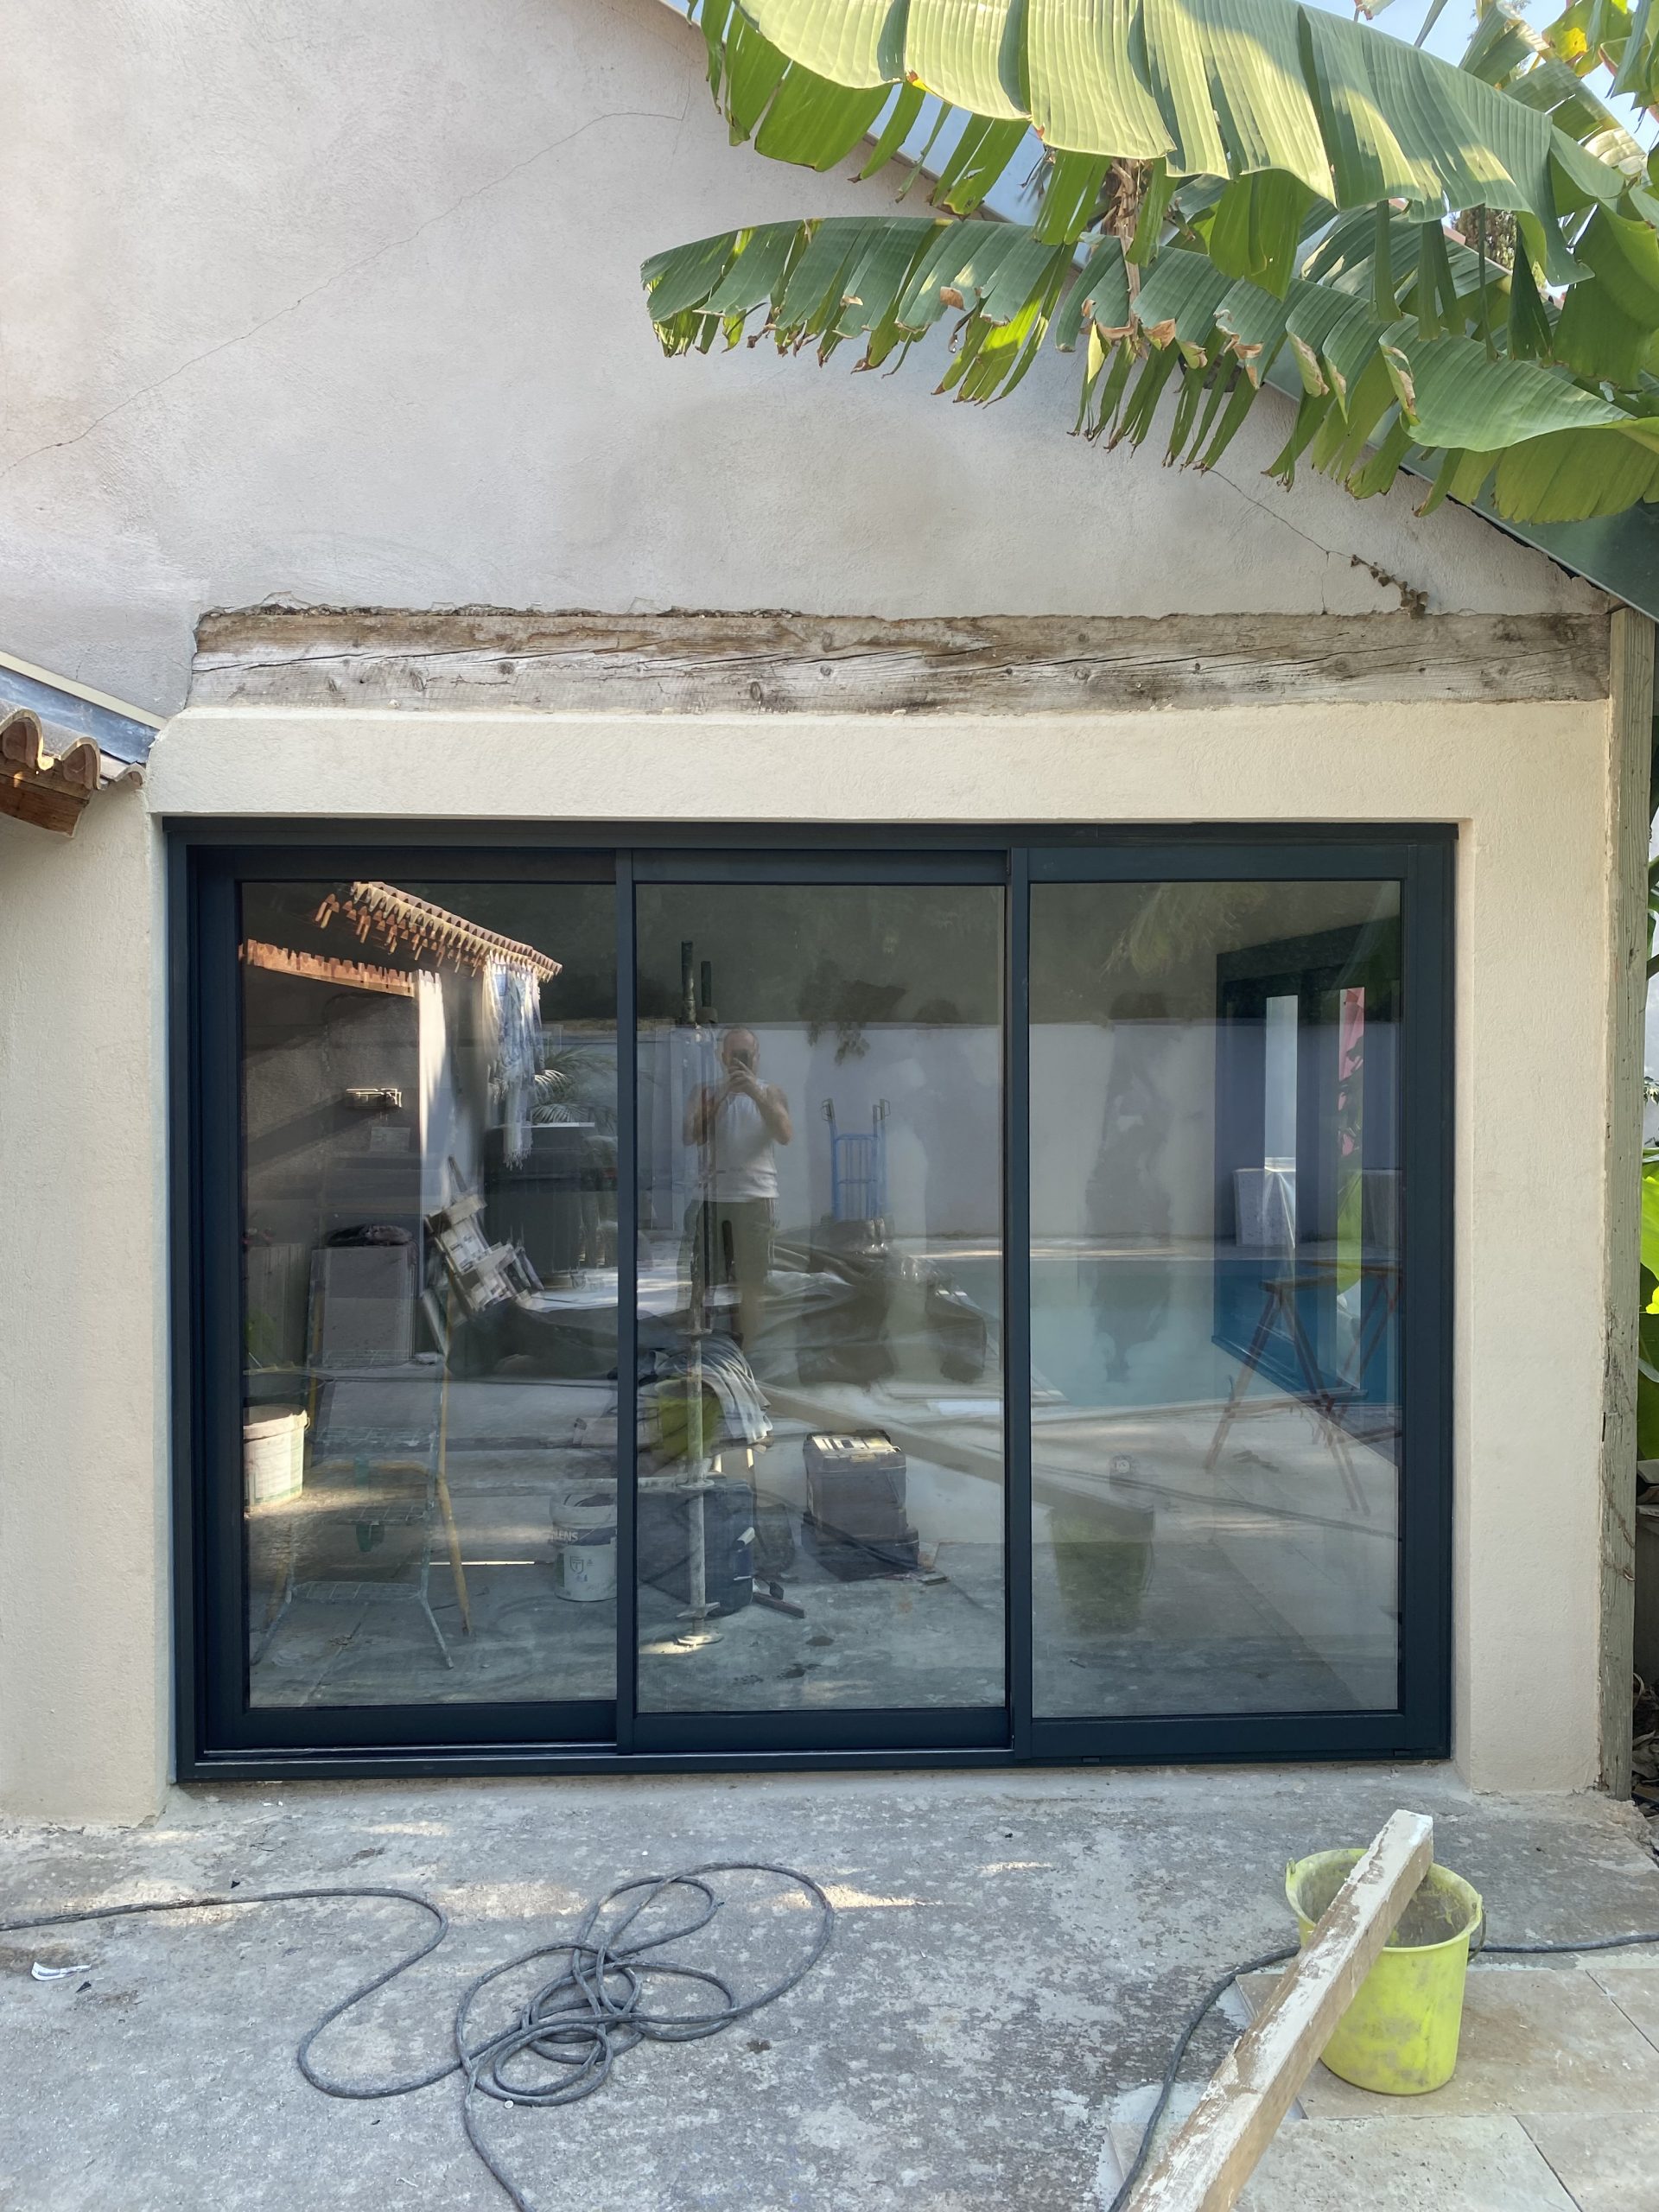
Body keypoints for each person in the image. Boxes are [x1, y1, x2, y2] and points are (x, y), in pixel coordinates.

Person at [683, 1027, 792, 1352]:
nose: (741, 1062)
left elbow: (785, 1135)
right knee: (701, 1281)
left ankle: (749, 1354)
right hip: (712, 1197)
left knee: (752, 1283)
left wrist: (755, 1094)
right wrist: (722, 1096)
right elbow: (692, 1136)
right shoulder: (705, 1092)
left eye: (746, 1056)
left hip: (755, 1198)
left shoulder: (771, 1093)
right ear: (723, 1057)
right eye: (735, 1056)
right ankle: (696, 1352)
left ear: (757, 1057)